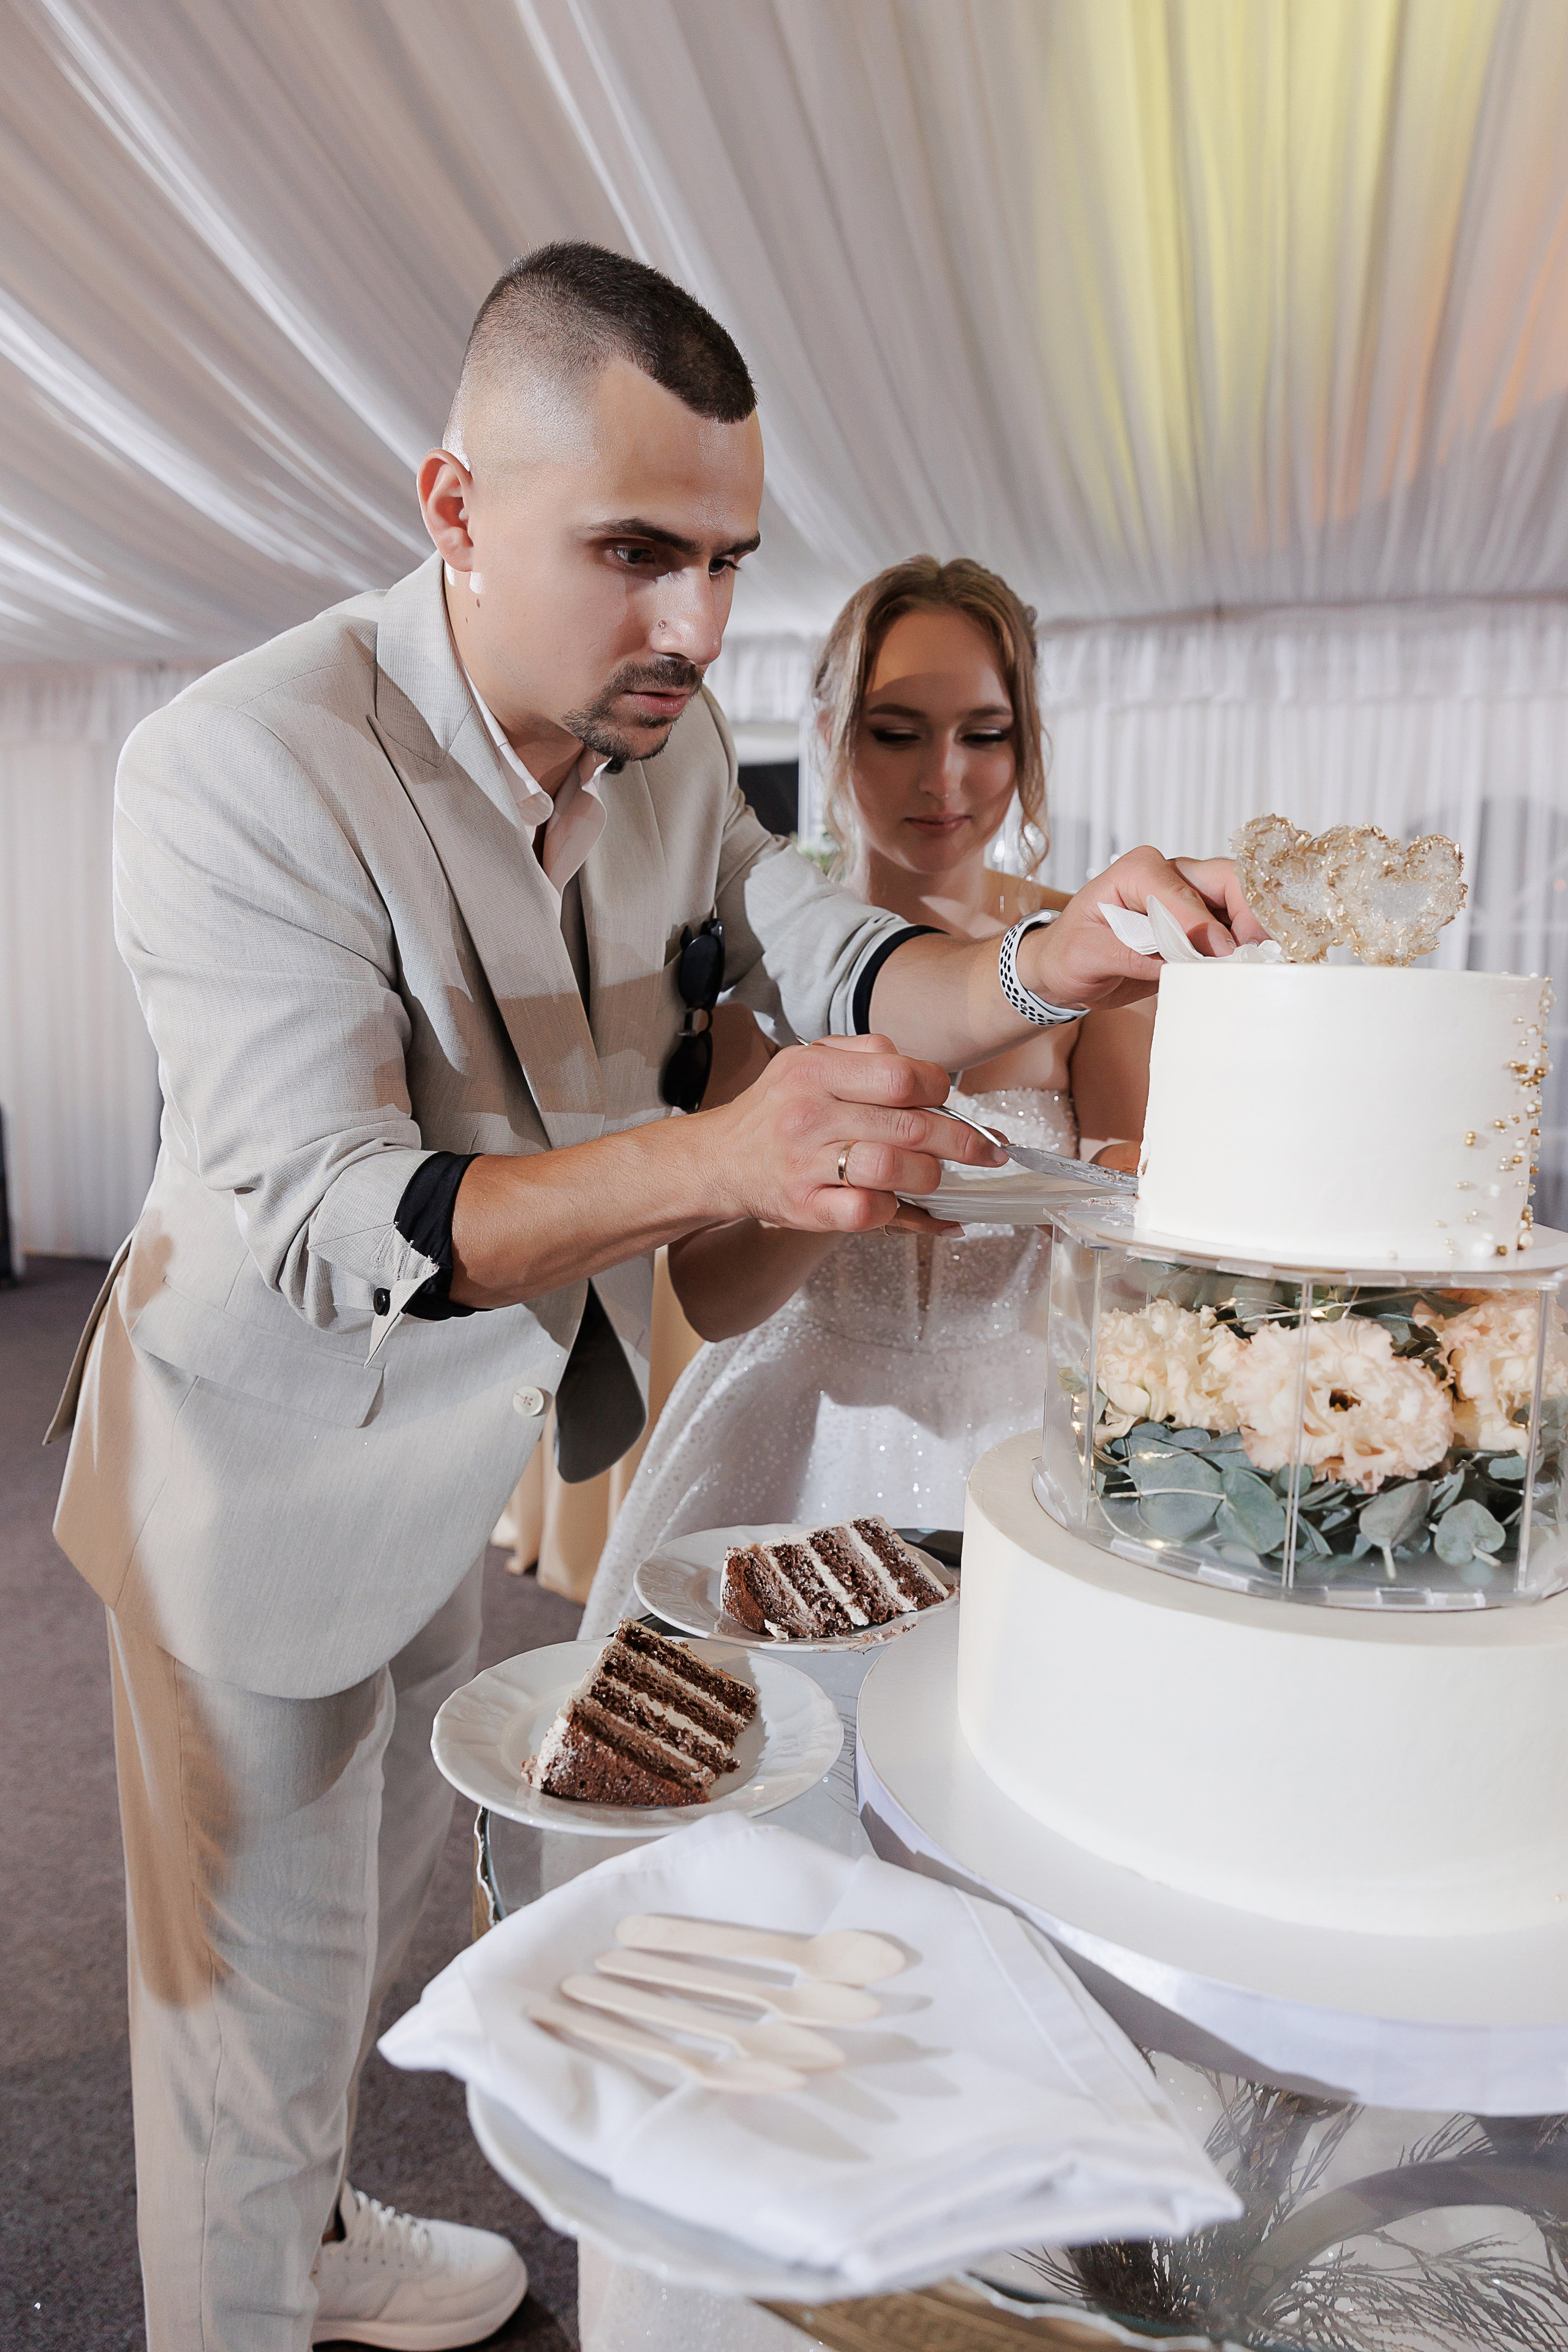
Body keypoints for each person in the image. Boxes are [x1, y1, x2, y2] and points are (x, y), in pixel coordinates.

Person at [50, 241, 1262, 2351]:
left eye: (726, 561)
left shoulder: (663, 744)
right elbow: (351, 1216)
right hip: (245, 1472)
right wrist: (731, 1156)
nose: (698, 629)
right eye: (635, 555)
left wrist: (1062, 965)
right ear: (453, 510)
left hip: (456, 1446)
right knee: (237, 2023)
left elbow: (844, 951)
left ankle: (330, 2241)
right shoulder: (234, 762)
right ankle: (248, 2287)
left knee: (392, 1910)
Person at [582, 557, 1152, 1635]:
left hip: (1024, 1434)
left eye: (984, 734)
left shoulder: (1092, 960)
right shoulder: (757, 968)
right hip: (797, 1429)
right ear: (836, 731)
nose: (945, 779)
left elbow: (1135, 1231)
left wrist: (1128, 1202)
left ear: (1025, 743)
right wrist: (843, 1174)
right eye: (898, 733)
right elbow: (713, 1301)